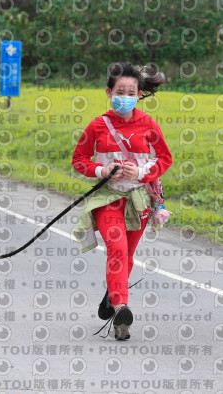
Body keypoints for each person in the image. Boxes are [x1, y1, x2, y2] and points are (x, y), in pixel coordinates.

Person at [71, 62, 172, 340]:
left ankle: (116, 307)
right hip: (108, 199)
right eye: (119, 92)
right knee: (117, 250)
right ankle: (120, 307)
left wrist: (140, 173)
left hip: (139, 200)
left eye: (130, 93)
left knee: (127, 256)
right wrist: (102, 171)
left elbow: (165, 159)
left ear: (139, 94)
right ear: (109, 92)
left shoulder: (149, 125)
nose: (125, 97)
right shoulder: (97, 125)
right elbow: (79, 160)